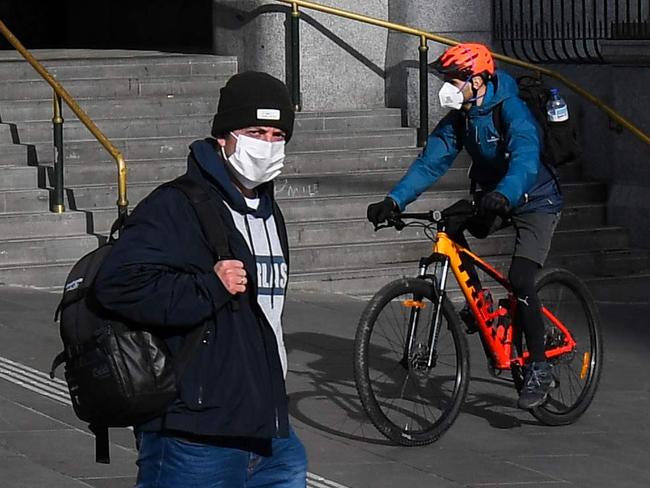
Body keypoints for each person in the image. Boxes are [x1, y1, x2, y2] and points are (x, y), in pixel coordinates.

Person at [93, 71, 307, 487]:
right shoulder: (176, 204)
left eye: (277, 135)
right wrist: (208, 286)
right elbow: (117, 285)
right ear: (225, 136)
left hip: (269, 432)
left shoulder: (268, 209)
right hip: (194, 436)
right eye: (254, 131)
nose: (266, 145)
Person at [366, 43, 563, 410]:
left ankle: (539, 366)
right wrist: (394, 200)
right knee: (450, 223)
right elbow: (429, 163)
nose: (448, 87)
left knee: (521, 279)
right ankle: (482, 304)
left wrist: (504, 193)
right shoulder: (462, 116)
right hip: (496, 196)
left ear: (477, 80)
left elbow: (525, 158)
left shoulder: (512, 109)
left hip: (535, 200)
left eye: (454, 79)